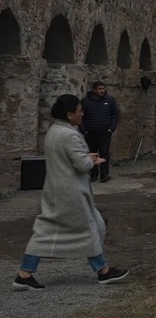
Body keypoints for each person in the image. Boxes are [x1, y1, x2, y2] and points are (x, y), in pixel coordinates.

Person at [13, 94, 130, 290]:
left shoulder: (55, 131)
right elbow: (81, 164)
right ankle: (103, 271)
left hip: (57, 190)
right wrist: (90, 159)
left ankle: (25, 273)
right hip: (70, 192)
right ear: (69, 115)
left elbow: (67, 158)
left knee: (49, 231)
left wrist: (85, 156)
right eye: (79, 111)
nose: (82, 114)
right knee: (88, 228)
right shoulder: (69, 135)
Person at [80, 81, 119, 182]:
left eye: (103, 88)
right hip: (90, 132)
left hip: (104, 132)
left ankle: (104, 175)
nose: (102, 91)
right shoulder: (86, 102)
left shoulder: (110, 100)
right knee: (92, 154)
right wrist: (84, 130)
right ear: (94, 90)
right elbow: (81, 117)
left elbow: (114, 116)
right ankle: (93, 174)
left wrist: (111, 128)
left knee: (104, 153)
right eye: (100, 89)